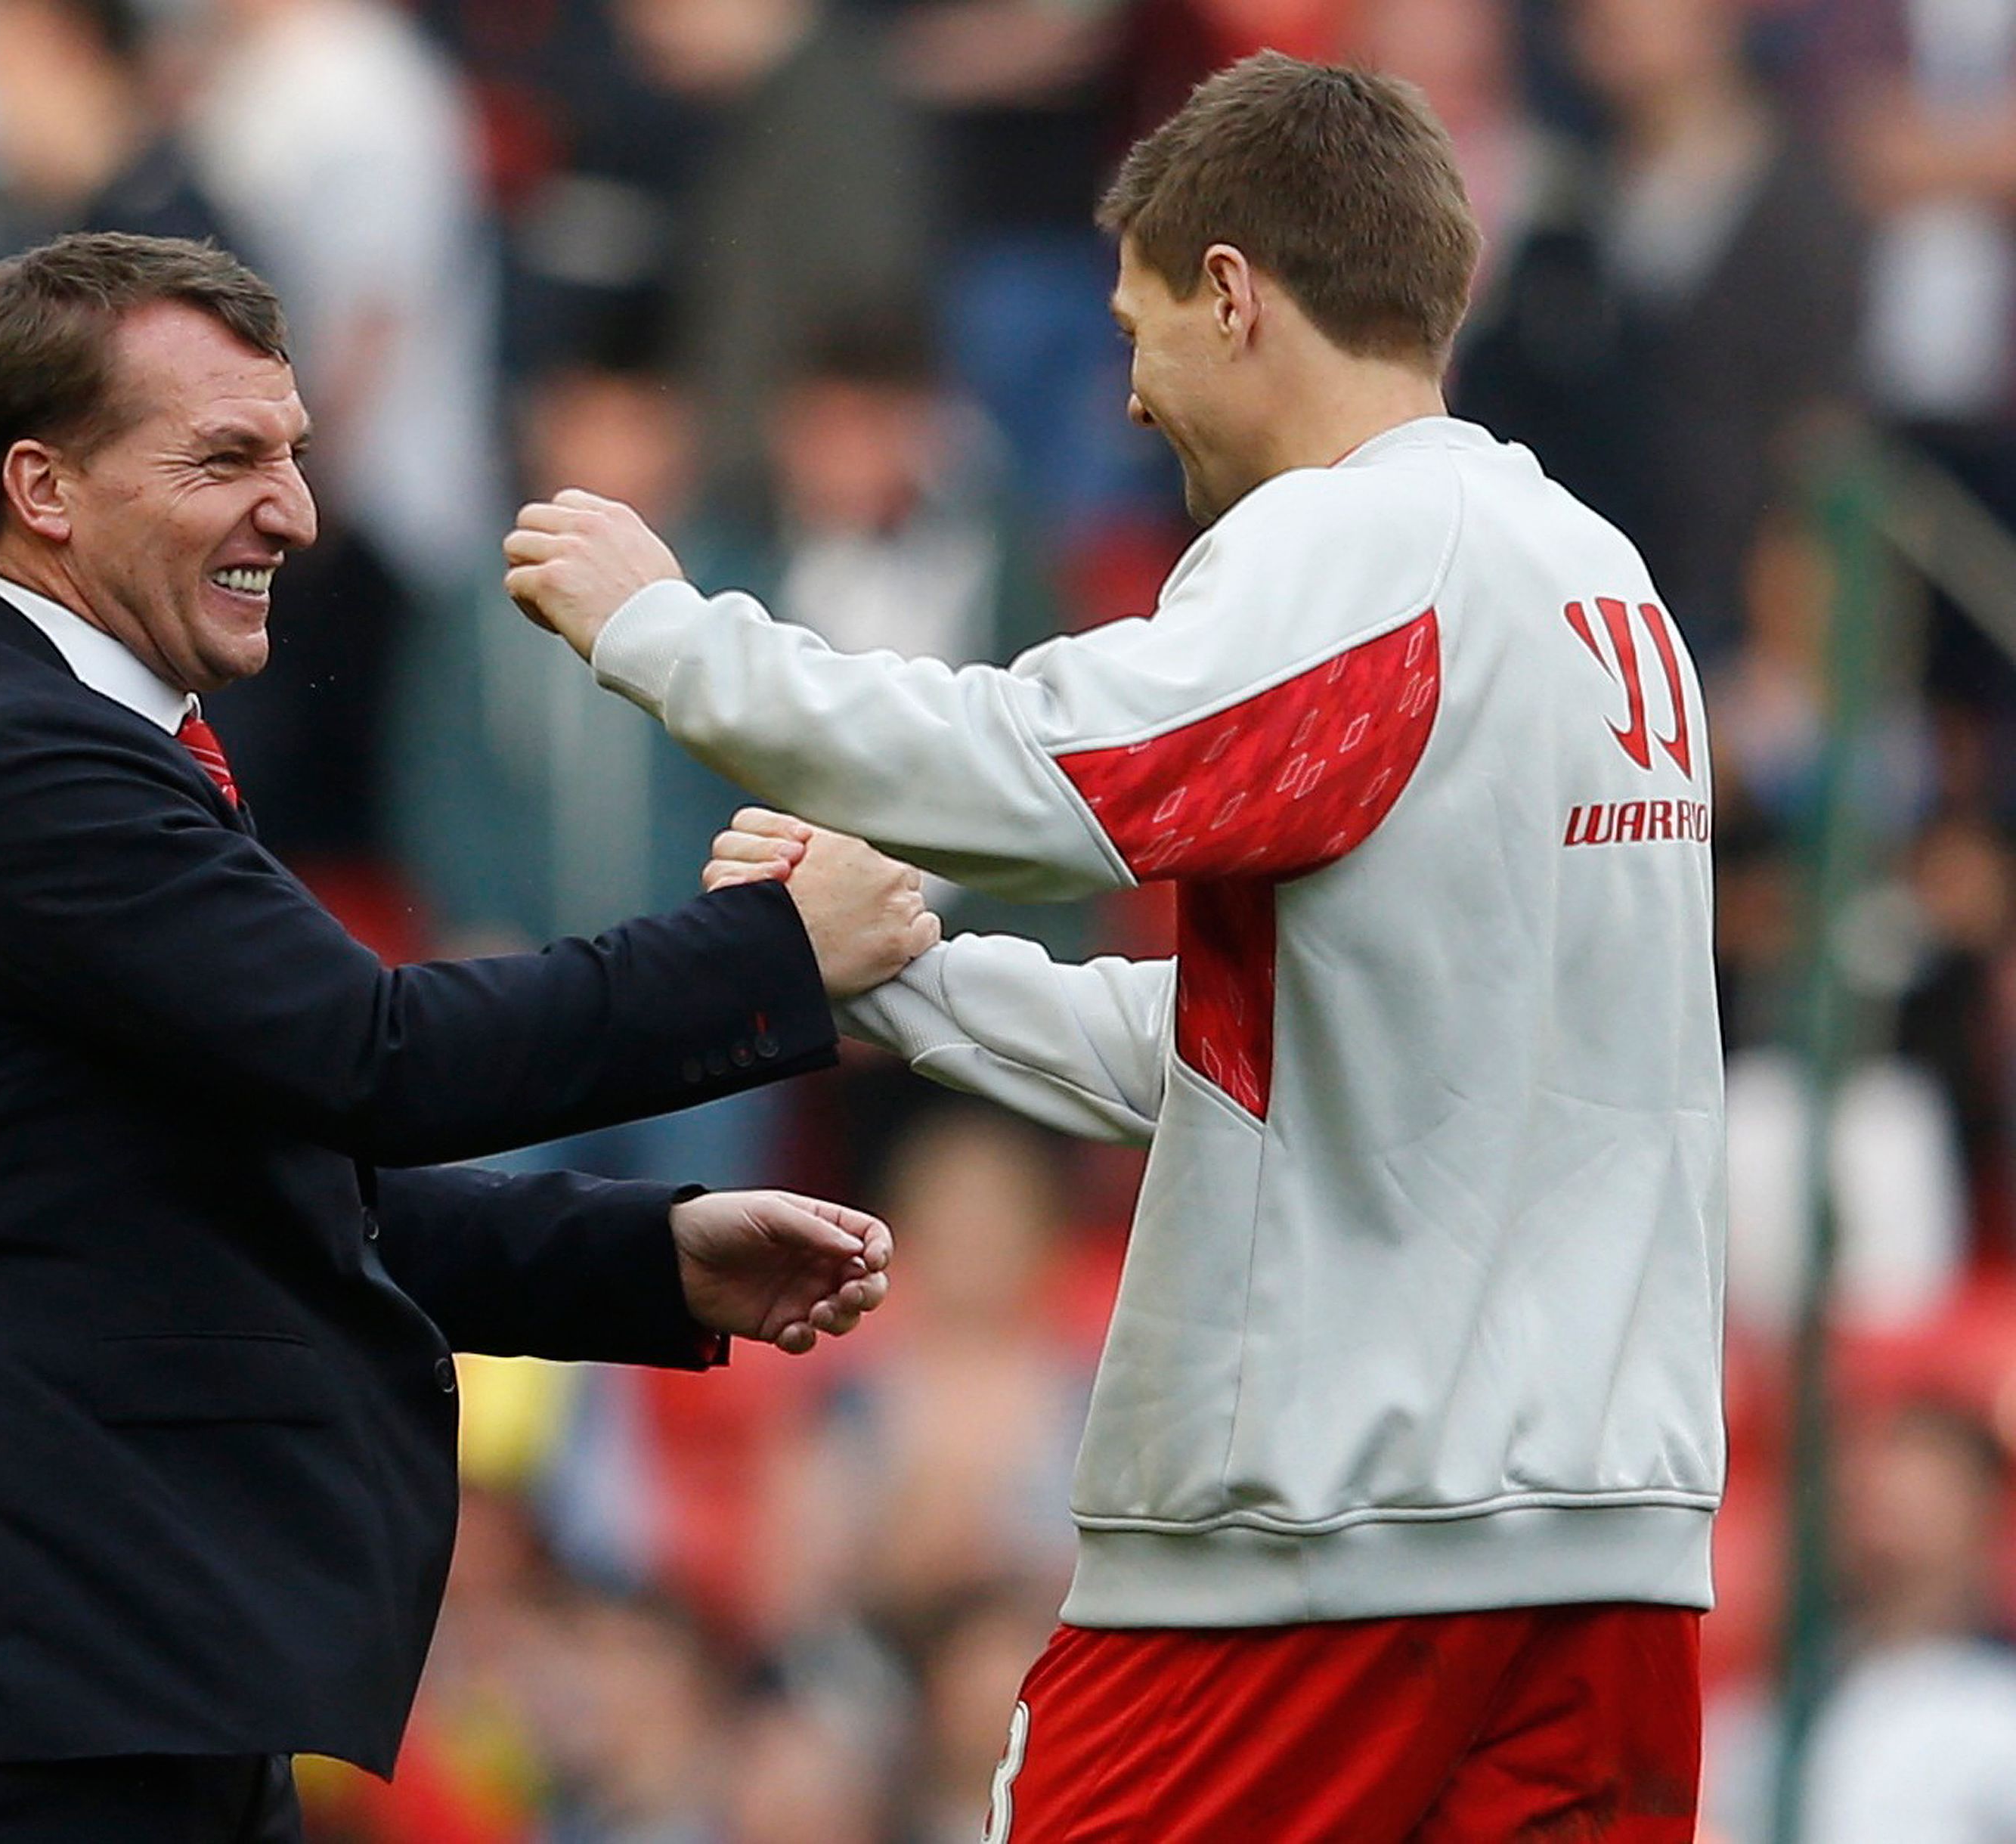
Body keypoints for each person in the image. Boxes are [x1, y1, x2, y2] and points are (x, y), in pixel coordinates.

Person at [507, 53, 1723, 1841]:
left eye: (1136, 326)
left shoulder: (1362, 548)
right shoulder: (1603, 584)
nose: (1130, 393)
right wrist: (904, 976)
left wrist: (669, 637)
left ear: (1231, 292)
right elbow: (1280, 1061)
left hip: (1325, 1541)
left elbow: (1048, 769)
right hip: (1608, 1549)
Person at [0, 231, 937, 1842]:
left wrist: (650, 1257)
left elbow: (252, 1196)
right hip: (21, 1683)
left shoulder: (85, 748)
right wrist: (771, 952)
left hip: (111, 1675)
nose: (290, 509)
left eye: (291, 453)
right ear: (44, 487)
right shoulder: (6, 756)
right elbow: (378, 1058)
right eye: (224, 458)